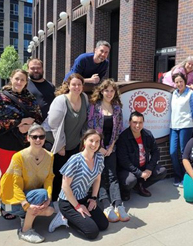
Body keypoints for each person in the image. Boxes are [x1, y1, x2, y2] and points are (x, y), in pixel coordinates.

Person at [0, 69, 42, 220]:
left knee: (21, 177)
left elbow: (38, 116)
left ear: (26, 82)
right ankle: (6, 207)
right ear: (11, 78)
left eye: (22, 80)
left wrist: (28, 124)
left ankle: (19, 204)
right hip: (5, 144)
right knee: (7, 176)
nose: (19, 82)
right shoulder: (2, 96)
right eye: (17, 79)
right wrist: (21, 122)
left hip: (25, 145)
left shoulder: (30, 97)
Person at [0, 124, 55, 243]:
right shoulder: (19, 157)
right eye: (34, 137)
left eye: (41, 136)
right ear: (28, 138)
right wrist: (26, 205)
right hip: (11, 202)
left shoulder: (49, 157)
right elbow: (15, 185)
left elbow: (49, 179)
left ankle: (26, 215)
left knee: (50, 210)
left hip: (31, 196)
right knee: (41, 195)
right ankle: (25, 230)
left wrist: (48, 198)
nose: (38, 140)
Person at [48, 129, 109, 240]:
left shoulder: (99, 158)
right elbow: (65, 186)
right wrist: (77, 206)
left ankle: (77, 217)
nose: (94, 144)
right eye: (91, 140)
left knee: (103, 225)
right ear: (84, 141)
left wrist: (93, 198)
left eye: (97, 141)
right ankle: (64, 217)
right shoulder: (75, 160)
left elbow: (97, 179)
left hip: (84, 198)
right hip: (68, 201)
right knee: (92, 232)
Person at [87, 79, 129, 222]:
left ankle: (118, 204)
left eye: (112, 91)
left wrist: (110, 147)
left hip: (111, 149)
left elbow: (118, 129)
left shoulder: (117, 108)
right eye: (107, 90)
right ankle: (105, 204)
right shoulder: (94, 107)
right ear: (101, 91)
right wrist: (99, 148)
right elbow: (90, 127)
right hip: (96, 149)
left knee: (112, 175)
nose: (109, 93)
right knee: (100, 176)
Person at [43, 73, 89, 202]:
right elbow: (54, 124)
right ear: (68, 85)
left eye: (79, 84)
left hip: (73, 143)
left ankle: (68, 201)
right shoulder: (61, 100)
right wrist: (61, 146)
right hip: (56, 143)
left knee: (71, 174)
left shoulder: (84, 98)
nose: (76, 87)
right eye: (73, 84)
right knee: (58, 174)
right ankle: (55, 202)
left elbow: (85, 122)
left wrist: (84, 141)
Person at [116, 111, 168, 201]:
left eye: (140, 122)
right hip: (128, 170)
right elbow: (124, 161)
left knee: (162, 171)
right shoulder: (123, 137)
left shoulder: (147, 134)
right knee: (130, 181)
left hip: (144, 167)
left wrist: (149, 168)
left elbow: (156, 152)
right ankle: (125, 190)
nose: (137, 125)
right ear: (129, 122)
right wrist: (139, 173)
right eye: (135, 122)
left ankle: (139, 186)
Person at [170, 73, 193, 187]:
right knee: (172, 152)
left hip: (186, 126)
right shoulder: (174, 94)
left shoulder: (191, 94)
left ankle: (185, 176)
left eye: (181, 81)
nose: (179, 84)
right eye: (176, 82)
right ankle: (178, 175)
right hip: (173, 126)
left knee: (183, 152)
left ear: (185, 81)